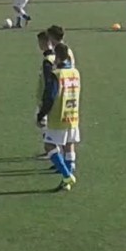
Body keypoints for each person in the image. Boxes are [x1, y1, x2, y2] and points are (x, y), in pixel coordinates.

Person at [37, 43, 80, 191]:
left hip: (58, 117)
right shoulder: (75, 72)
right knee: (69, 145)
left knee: (48, 145)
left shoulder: (56, 74)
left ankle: (67, 175)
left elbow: (50, 97)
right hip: (73, 115)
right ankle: (66, 180)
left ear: (57, 57)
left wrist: (41, 114)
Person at [35, 30, 55, 158]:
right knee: (45, 124)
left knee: (44, 123)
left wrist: (45, 100)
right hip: (54, 96)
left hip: (46, 97)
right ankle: (52, 150)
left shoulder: (48, 60)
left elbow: (48, 82)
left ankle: (51, 151)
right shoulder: (55, 56)